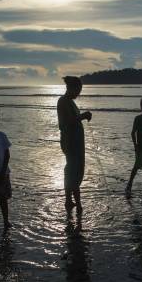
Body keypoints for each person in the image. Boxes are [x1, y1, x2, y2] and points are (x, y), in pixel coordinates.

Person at [57, 76, 91, 213]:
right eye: (78, 90)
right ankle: (76, 203)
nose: (79, 93)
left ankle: (69, 200)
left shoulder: (69, 102)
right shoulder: (63, 101)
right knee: (74, 172)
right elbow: (69, 121)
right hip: (70, 142)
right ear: (71, 88)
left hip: (75, 142)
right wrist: (83, 116)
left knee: (72, 170)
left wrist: (82, 116)